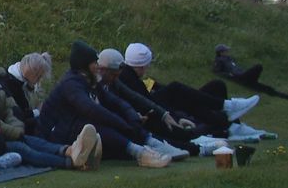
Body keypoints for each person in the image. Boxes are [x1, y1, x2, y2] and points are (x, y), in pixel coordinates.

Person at [39, 40, 173, 168]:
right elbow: (90, 109)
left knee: (116, 118)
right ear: (84, 64)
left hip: (74, 127)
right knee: (98, 125)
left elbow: (115, 101)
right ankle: (141, 154)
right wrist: (122, 124)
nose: (97, 66)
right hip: (58, 134)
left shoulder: (90, 81)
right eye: (94, 62)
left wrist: (131, 117)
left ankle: (153, 144)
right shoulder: (71, 84)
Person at [0, 45, 101, 170]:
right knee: (25, 149)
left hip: (9, 132)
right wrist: (14, 131)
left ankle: (71, 150)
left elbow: (12, 110)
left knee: (35, 142)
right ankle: (74, 162)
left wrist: (16, 129)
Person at [97, 49, 227, 157]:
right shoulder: (95, 84)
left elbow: (133, 98)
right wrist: (133, 116)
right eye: (113, 75)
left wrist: (164, 114)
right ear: (102, 69)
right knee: (145, 133)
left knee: (151, 126)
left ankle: (197, 141)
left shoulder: (113, 81)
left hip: (128, 121)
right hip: (110, 128)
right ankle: (199, 143)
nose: (115, 79)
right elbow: (106, 108)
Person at [118, 42, 260, 137]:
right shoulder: (128, 81)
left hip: (173, 108)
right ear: (143, 65)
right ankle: (228, 117)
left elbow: (161, 88)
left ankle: (230, 121)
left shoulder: (139, 80)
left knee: (216, 86)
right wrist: (177, 118)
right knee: (176, 89)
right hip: (170, 113)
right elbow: (149, 103)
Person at [0, 52, 53, 135]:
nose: (39, 81)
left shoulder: (15, 74)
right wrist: (37, 111)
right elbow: (19, 114)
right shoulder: (13, 86)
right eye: (39, 77)